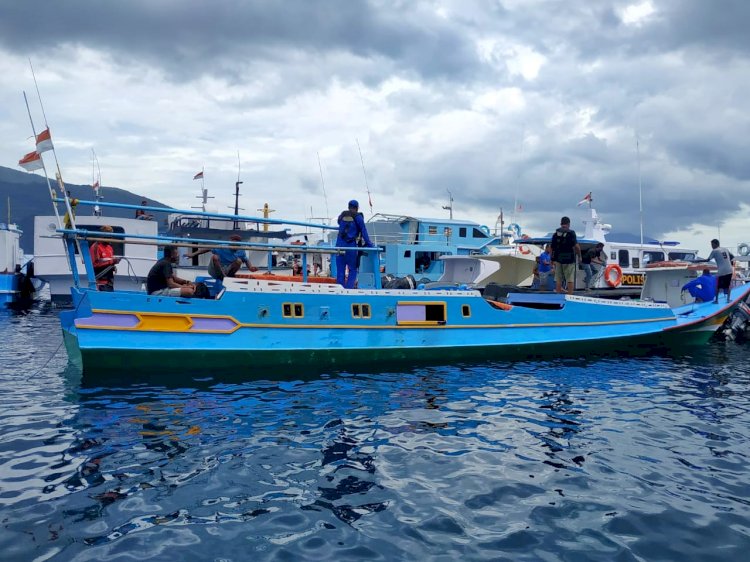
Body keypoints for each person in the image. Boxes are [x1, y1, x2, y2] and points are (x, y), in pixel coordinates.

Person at [335, 199, 373, 288]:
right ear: (357, 208)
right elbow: (364, 231)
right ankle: (349, 289)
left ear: (348, 207)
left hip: (339, 245)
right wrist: (370, 244)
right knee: (352, 269)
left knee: (340, 270)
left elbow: (338, 222)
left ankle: (340, 289)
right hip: (350, 246)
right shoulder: (358, 217)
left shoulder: (342, 215)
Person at [185, 234, 258, 280]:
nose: (235, 247)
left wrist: (250, 268)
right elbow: (207, 248)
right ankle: (222, 277)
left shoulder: (241, 251)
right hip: (215, 270)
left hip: (227, 269)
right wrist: (193, 254)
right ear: (230, 243)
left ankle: (228, 276)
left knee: (239, 261)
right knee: (215, 257)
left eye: (237, 245)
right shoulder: (222, 246)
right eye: (233, 244)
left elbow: (246, 260)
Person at [550, 216, 581, 295]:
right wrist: (579, 256)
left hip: (558, 259)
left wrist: (551, 259)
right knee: (570, 279)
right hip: (569, 259)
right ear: (568, 224)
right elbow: (576, 246)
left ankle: (558, 295)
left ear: (561, 224)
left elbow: (551, 248)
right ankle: (570, 296)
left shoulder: (555, 234)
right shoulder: (571, 233)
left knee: (558, 279)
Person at [701, 239, 734, 303]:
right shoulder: (725, 249)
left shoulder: (714, 251)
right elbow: (732, 256)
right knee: (728, 285)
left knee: (718, 286)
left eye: (712, 244)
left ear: (716, 244)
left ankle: (716, 300)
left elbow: (708, 260)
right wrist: (728, 262)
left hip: (721, 271)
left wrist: (698, 261)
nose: (711, 246)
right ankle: (728, 299)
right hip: (729, 269)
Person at [89, 225, 121, 291]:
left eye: (111, 236)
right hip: (100, 283)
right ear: (103, 236)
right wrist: (112, 262)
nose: (111, 238)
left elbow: (108, 263)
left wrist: (113, 266)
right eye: (109, 236)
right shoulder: (96, 247)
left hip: (109, 282)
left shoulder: (110, 248)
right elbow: (94, 264)